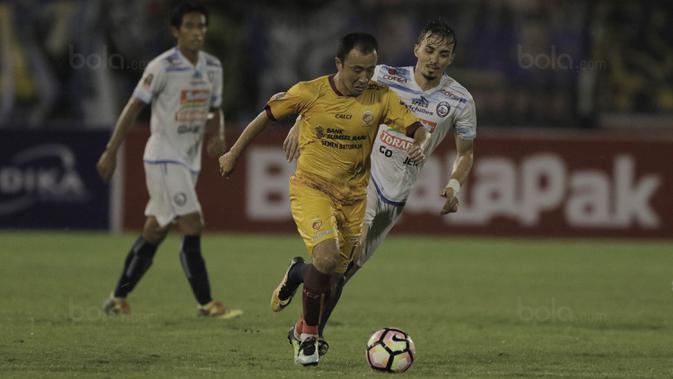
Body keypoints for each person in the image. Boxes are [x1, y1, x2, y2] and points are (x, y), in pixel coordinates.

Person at [218, 33, 429, 366]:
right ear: (339, 64)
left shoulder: (382, 97)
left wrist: (420, 141)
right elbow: (266, 116)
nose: (364, 78)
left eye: (370, 69)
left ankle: (296, 273)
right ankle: (308, 339)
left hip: (354, 197)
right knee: (327, 258)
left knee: (331, 280)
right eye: (357, 70)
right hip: (312, 188)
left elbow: (418, 128)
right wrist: (233, 152)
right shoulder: (309, 92)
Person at [271, 19, 476, 355]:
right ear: (416, 50)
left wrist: (454, 184)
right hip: (361, 183)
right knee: (334, 266)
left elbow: (465, 154)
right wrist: (298, 122)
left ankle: (298, 278)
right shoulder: (383, 77)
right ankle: (310, 338)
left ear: (451, 58)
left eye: (443, 53)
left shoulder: (459, 100)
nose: (434, 59)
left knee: (341, 277)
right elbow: (328, 92)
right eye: (429, 50)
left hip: (395, 200)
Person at [96, 2, 242, 320]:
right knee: (192, 223)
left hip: (188, 161)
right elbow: (133, 107)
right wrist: (111, 150)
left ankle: (117, 298)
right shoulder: (161, 67)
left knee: (156, 228)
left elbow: (215, 109)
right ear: (175, 31)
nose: (197, 32)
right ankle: (207, 304)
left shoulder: (212, 67)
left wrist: (217, 134)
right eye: (189, 26)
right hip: (163, 157)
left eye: (201, 26)